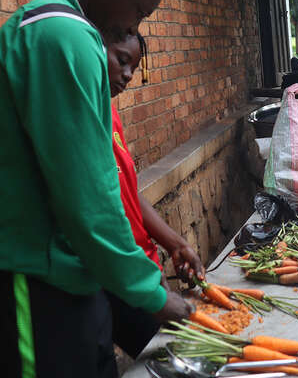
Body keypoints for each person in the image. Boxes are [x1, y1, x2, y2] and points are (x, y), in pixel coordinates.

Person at [0, 0, 192, 378]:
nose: (135, 25)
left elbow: (101, 181)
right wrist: (151, 294)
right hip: (25, 276)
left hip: (66, 272)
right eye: (138, 11)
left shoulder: (62, 31)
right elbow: (89, 195)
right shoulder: (62, 37)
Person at [103, 30, 205, 357]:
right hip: (119, 275)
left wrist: (175, 243)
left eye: (134, 66)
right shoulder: (81, 119)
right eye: (121, 60)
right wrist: (150, 290)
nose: (128, 75)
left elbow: (130, 195)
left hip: (140, 267)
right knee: (173, 353)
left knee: (177, 349)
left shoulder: (111, 114)